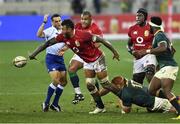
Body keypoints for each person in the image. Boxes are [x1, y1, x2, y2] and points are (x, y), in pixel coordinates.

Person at [29, 19, 120, 114]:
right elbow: (48, 43)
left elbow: (102, 40)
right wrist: (34, 54)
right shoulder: (63, 37)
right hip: (87, 62)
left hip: (98, 58)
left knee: (105, 84)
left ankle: (124, 97)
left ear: (70, 29)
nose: (62, 31)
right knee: (90, 85)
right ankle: (100, 107)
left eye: (64, 29)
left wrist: (115, 52)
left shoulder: (84, 35)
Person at [137, 16, 180, 119]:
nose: (148, 28)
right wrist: (162, 64)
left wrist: (147, 51)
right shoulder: (160, 35)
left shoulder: (159, 35)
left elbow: (163, 48)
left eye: (149, 26)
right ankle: (177, 99)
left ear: (153, 26)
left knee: (166, 91)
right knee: (151, 90)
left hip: (169, 67)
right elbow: (172, 50)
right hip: (165, 67)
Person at [68, 11, 103, 104]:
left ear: (90, 19)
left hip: (90, 54)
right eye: (82, 19)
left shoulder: (95, 28)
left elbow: (99, 42)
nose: (83, 21)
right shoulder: (78, 26)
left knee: (91, 78)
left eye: (85, 19)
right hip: (80, 53)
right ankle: (78, 93)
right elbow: (71, 37)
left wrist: (89, 49)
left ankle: (97, 96)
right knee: (71, 69)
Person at [36, 14, 67, 112]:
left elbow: (69, 42)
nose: (58, 23)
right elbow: (39, 35)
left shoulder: (65, 31)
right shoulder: (50, 30)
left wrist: (64, 49)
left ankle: (55, 104)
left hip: (60, 59)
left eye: (59, 20)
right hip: (51, 58)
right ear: (52, 22)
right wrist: (44, 22)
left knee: (64, 82)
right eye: (56, 21)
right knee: (56, 80)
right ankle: (46, 102)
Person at [99, 75, 176, 114]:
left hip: (157, 102)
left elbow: (126, 110)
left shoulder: (125, 94)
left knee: (174, 108)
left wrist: (120, 101)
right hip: (155, 96)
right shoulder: (128, 81)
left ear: (118, 85)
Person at [127, 8, 156, 84]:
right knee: (137, 82)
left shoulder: (151, 28)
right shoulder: (132, 29)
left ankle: (156, 92)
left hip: (149, 55)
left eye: (140, 16)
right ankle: (143, 95)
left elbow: (159, 38)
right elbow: (129, 44)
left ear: (145, 17)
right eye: (136, 16)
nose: (137, 18)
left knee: (149, 72)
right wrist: (132, 51)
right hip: (138, 58)